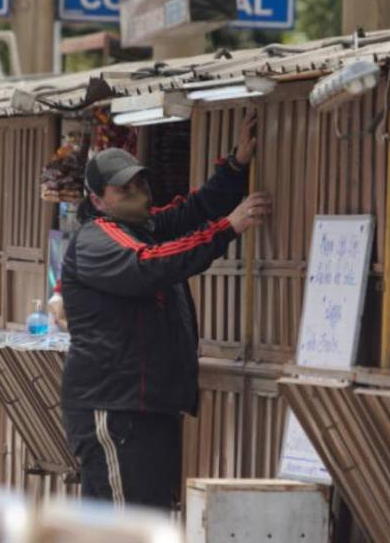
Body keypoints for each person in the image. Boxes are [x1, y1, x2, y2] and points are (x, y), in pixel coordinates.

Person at [60, 112, 271, 510]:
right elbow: (149, 265)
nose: (137, 192)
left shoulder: (142, 226)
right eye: (123, 188)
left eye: (140, 183)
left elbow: (195, 209)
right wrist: (229, 227)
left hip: (145, 406)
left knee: (143, 515)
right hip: (115, 407)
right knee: (128, 523)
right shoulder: (97, 239)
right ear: (97, 199)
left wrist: (236, 165)